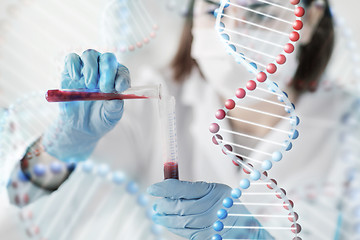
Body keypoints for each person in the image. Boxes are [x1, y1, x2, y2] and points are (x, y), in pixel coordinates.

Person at [2, 0, 354, 239]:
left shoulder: (350, 132)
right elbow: (17, 200)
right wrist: (63, 146)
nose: (230, 31)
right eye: (214, 9)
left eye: (260, 11)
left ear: (308, 20)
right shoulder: (152, 102)